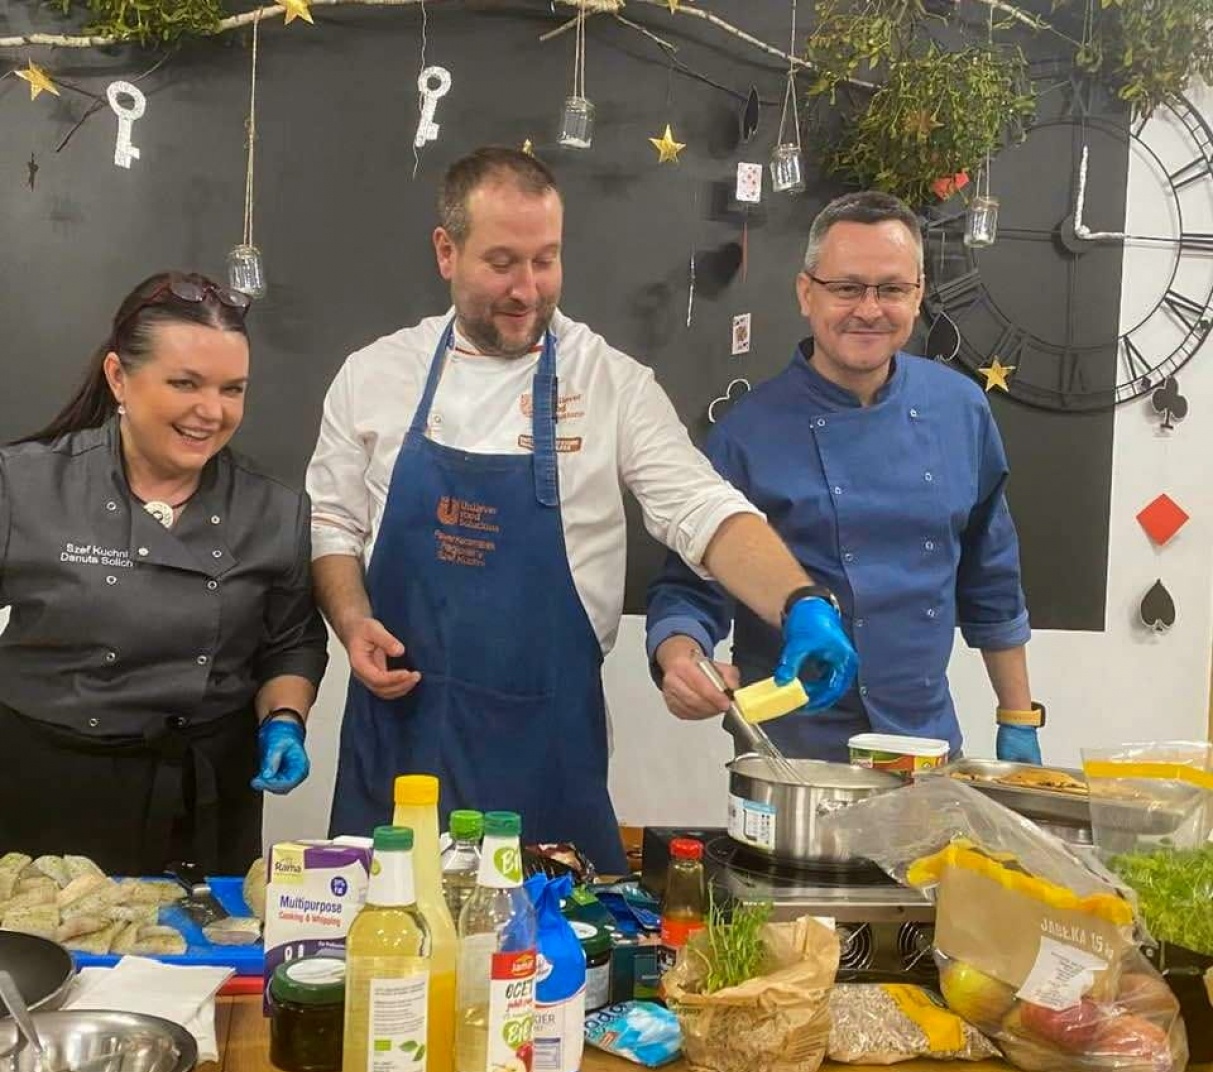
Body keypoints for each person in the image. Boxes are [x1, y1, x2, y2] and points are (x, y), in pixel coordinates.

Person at [306, 146, 857, 873]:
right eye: (501, 262)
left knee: (556, 961)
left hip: (544, 742)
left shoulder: (612, 384)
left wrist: (801, 603)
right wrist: (350, 622)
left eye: (545, 261)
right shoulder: (374, 375)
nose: (527, 289)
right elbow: (333, 524)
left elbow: (701, 508)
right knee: (391, 956)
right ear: (447, 251)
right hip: (400, 730)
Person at [646, 190, 1044, 765]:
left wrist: (1018, 719)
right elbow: (691, 588)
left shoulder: (961, 411)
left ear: (919, 295)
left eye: (891, 289)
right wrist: (680, 657)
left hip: (926, 745)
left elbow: (992, 580)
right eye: (847, 287)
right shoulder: (748, 431)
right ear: (807, 293)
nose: (869, 308)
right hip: (790, 753)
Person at [0, 271, 328, 875]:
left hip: (203, 795)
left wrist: (284, 720)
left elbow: (291, 642)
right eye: (185, 383)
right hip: (44, 788)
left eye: (233, 389)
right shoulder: (25, 485)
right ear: (119, 378)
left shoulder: (274, 509)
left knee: (204, 962)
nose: (212, 411)